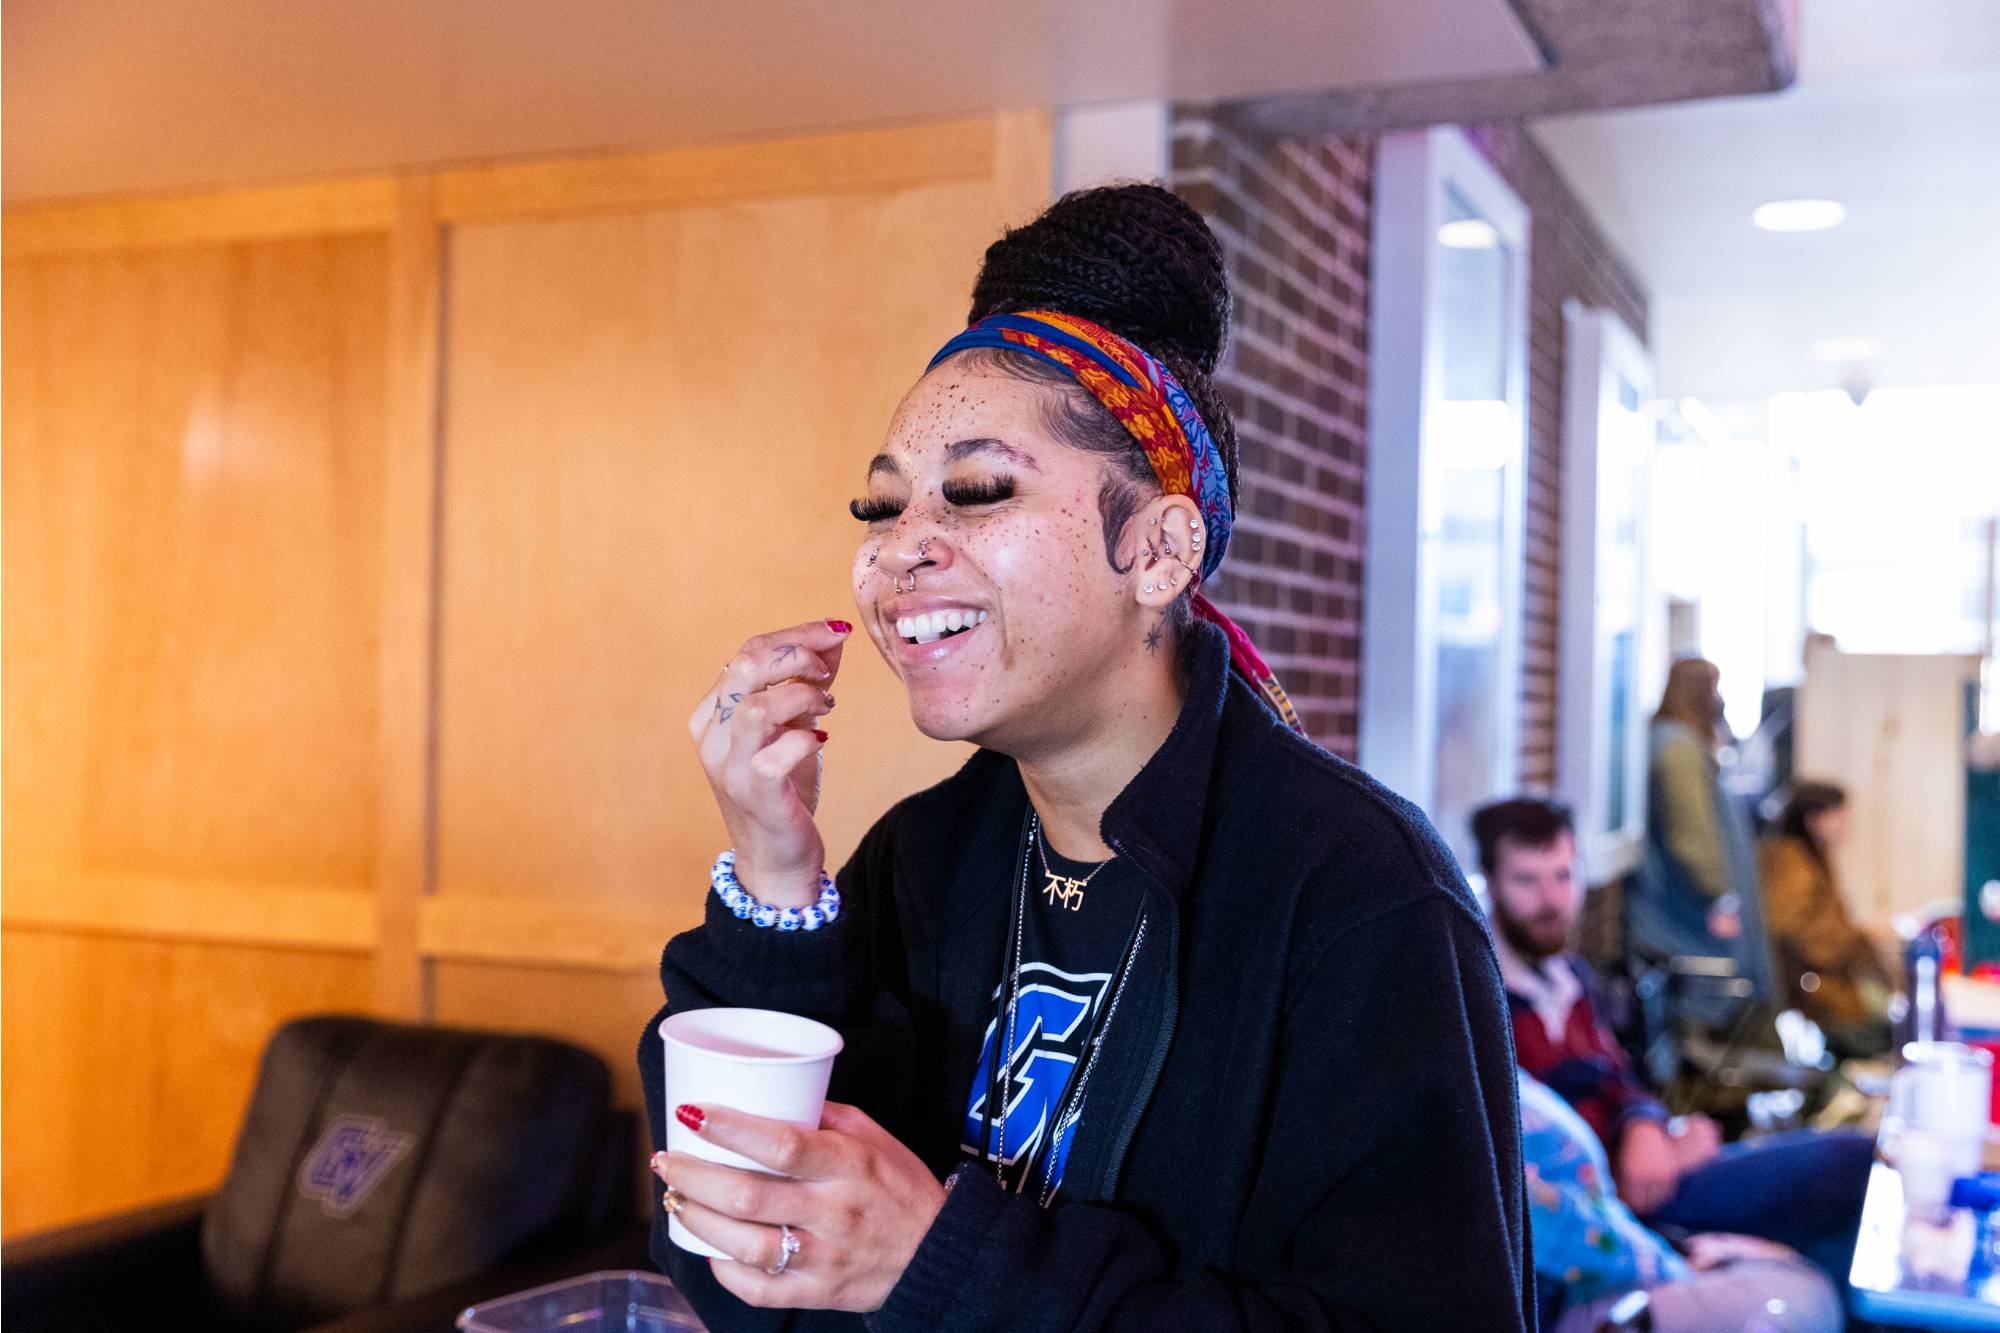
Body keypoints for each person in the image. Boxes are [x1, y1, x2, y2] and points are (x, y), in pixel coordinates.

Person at [635, 185, 1534, 1331]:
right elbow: (739, 1268)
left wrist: (942, 1264)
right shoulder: (925, 857)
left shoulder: (1353, 892)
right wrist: (771, 873)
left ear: (1156, 547)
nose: (898, 550)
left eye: (976, 490)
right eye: (880, 504)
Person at [1474, 796, 1871, 1290]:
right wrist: (1644, 1161)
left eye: (1563, 876)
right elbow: (1527, 1165)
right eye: (1526, 881)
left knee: (1855, 1169)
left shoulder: (1570, 976)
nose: (1551, 901)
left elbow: (1619, 1078)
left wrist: (1647, 1125)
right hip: (1609, 1218)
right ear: (1488, 883)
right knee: (1845, 1168)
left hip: (1654, 1176)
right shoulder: (1479, 1004)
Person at [1518, 1069, 1840, 1333]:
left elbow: (1607, 1069)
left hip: (1618, 1192)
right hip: (1605, 1244)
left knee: (1846, 1165)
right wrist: (1677, 1258)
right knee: (1814, 1296)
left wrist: (1642, 1121)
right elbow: (1553, 1221)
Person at [1629, 658, 1776, 1003]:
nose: (1719, 698)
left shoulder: (1677, 742)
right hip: (1687, 919)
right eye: (1715, 687)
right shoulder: (1677, 748)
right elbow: (1691, 839)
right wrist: (1720, 896)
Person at [1762, 781, 1894, 1059]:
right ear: (1814, 820)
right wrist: (1859, 936)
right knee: (1894, 1024)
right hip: (1818, 989)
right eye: (1840, 816)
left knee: (1895, 1011)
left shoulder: (1808, 858)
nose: (1847, 824)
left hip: (1828, 983)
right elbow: (1788, 929)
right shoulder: (1794, 863)